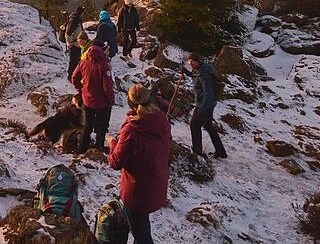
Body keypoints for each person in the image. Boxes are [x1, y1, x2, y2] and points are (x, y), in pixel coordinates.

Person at [108, 84, 171, 244]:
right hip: (157, 182)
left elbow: (115, 162)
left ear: (130, 104)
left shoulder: (132, 129)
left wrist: (113, 143)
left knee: (141, 235)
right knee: (141, 225)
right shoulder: (162, 120)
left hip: (137, 191)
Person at [71, 45, 115, 154]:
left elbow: (74, 77)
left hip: (87, 99)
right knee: (102, 125)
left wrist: (81, 89)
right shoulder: (104, 65)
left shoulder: (83, 62)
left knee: (87, 125)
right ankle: (99, 146)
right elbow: (107, 86)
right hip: (102, 102)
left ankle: (82, 148)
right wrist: (111, 100)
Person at [183, 53, 227, 159]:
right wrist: (186, 72)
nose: (191, 64)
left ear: (198, 61)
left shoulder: (205, 74)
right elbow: (196, 75)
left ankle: (197, 152)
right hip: (208, 103)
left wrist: (202, 109)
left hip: (204, 104)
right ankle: (221, 151)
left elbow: (209, 93)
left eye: (193, 61)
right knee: (208, 126)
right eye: (189, 61)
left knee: (194, 125)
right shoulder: (201, 69)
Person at [64, 5, 85, 79]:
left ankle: (76, 75)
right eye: (82, 12)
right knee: (73, 61)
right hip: (74, 44)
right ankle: (71, 76)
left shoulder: (77, 19)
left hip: (78, 44)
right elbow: (68, 32)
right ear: (80, 12)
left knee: (77, 60)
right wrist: (69, 43)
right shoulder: (74, 20)